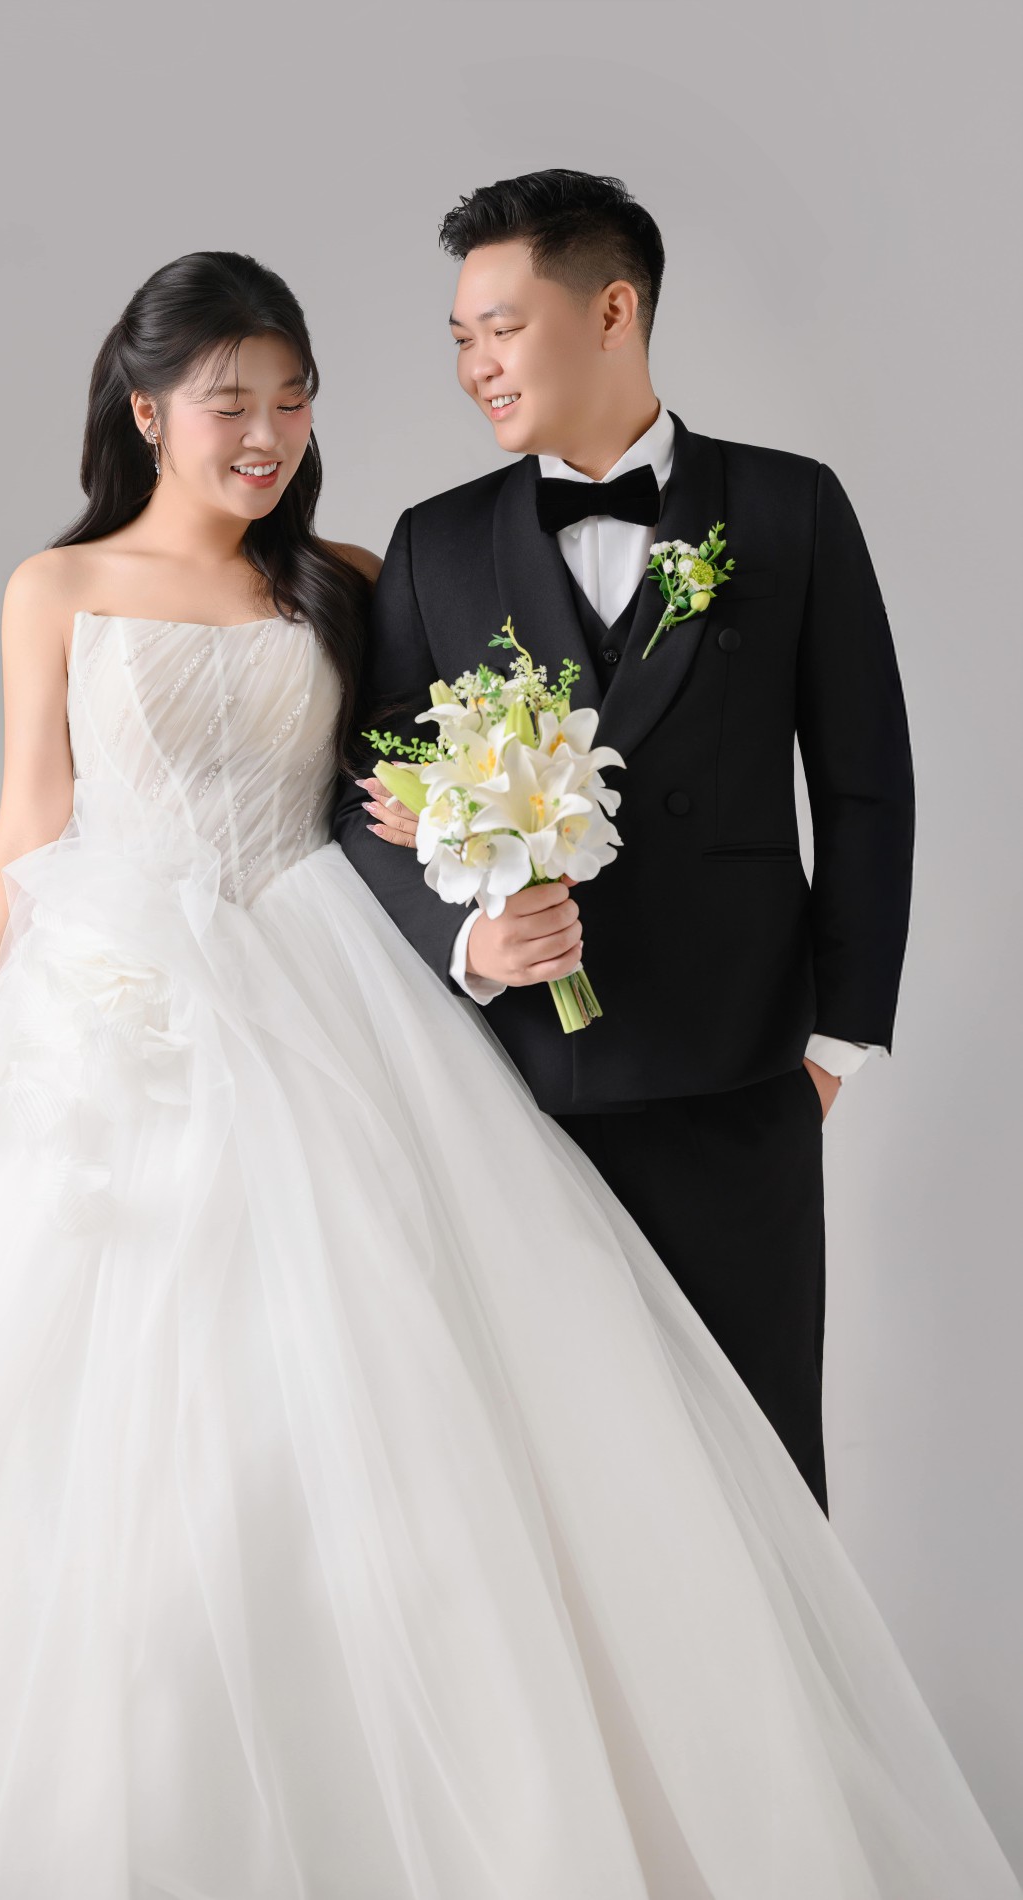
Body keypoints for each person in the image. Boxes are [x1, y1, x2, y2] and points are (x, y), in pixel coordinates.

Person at [0, 250, 1015, 1900]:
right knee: (76, 1426)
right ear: (146, 411)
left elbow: (405, 799)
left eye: (293, 402)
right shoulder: (53, 590)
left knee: (399, 1420)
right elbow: (28, 827)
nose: (267, 435)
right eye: (230, 404)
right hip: (106, 1005)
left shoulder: (350, 578)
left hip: (321, 995)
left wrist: (481, 849)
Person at [337, 169, 916, 1517]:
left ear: (612, 311)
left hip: (738, 1082)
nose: (477, 366)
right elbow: (367, 799)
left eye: (503, 328)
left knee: (758, 1484)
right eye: (461, 340)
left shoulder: (788, 509)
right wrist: (469, 942)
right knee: (550, 1497)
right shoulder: (436, 545)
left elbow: (868, 787)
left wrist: (836, 1047)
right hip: (512, 1096)